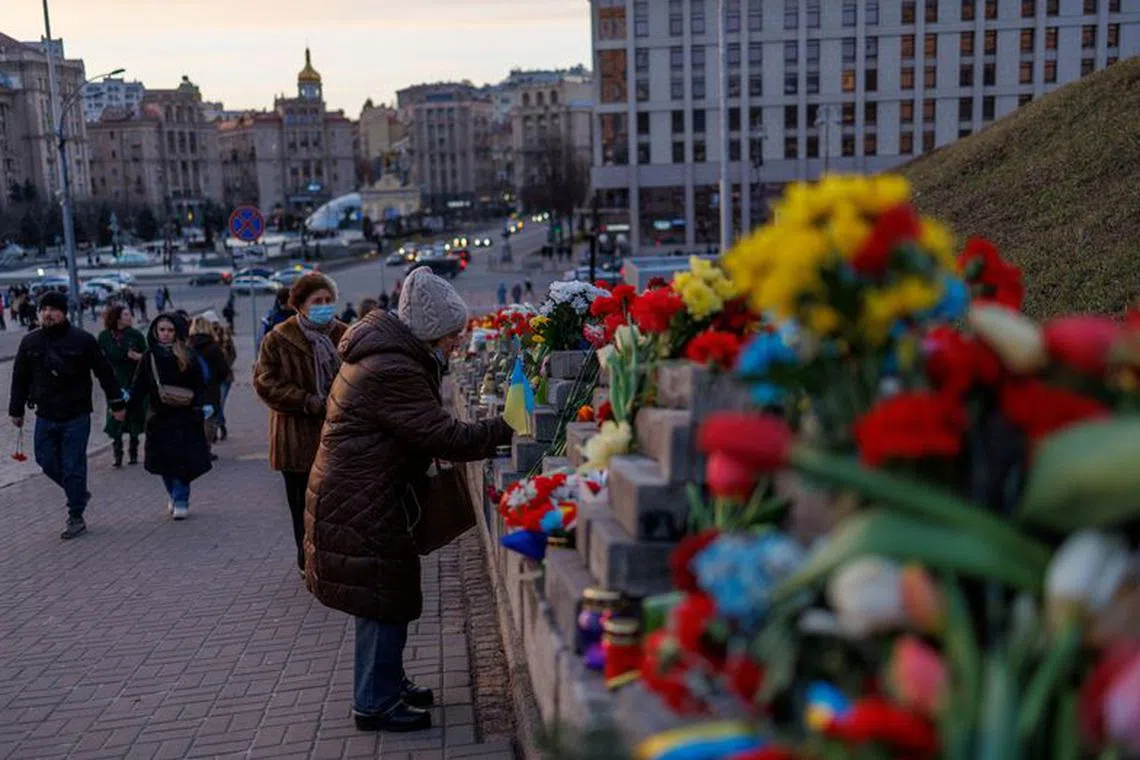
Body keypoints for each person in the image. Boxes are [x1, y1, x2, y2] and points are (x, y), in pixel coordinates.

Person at [305, 266, 514, 733]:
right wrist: (506, 428)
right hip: (363, 499)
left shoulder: (388, 357)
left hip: (364, 493)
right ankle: (374, 703)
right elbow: (442, 435)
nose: (454, 346)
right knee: (382, 598)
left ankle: (386, 683)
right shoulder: (392, 368)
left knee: (385, 596)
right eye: (450, 338)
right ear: (429, 332)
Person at [7, 291, 127, 539]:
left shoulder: (82, 340)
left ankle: (75, 514)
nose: (47, 314)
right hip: (45, 414)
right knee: (45, 460)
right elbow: (19, 378)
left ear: (64, 313)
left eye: (53, 309)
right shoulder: (30, 342)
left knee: (73, 465)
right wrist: (16, 410)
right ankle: (78, 492)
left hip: (76, 414)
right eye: (44, 309)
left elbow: (105, 373)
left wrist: (117, 403)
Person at [253, 272, 347, 576]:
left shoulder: (344, 335)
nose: (324, 306)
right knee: (302, 507)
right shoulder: (279, 338)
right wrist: (307, 401)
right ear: (300, 305)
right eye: (316, 301)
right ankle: (308, 561)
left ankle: (334, 558)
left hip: (338, 437)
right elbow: (265, 383)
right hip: (295, 440)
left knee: (336, 505)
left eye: (328, 300)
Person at [127, 313, 211, 520]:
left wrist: (199, 407)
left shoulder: (187, 354)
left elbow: (199, 384)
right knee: (163, 461)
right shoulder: (150, 356)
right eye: (162, 330)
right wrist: (126, 407)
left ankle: (181, 498)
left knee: (183, 461)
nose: (165, 334)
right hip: (159, 417)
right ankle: (173, 494)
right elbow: (139, 387)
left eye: (170, 330)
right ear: (155, 331)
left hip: (185, 416)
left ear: (177, 332)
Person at [97, 304, 147, 468]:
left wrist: (138, 356)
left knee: (133, 414)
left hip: (133, 381)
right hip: (113, 383)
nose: (130, 317)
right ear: (117, 318)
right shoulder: (104, 337)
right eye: (126, 314)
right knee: (115, 415)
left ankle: (133, 450)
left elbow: (147, 357)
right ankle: (117, 452)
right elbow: (98, 359)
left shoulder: (135, 335)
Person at [188, 316, 231, 459]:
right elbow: (223, 369)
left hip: (192, 389)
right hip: (211, 389)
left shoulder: (188, 346)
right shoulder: (213, 347)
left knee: (195, 420)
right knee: (209, 419)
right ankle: (205, 449)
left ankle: (194, 448)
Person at [209, 315, 237, 441]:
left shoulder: (225, 337)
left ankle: (215, 428)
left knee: (219, 403)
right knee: (217, 404)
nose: (214, 326)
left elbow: (233, 354)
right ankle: (220, 426)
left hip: (224, 376)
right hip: (213, 378)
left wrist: (225, 365)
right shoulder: (206, 338)